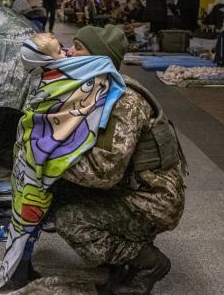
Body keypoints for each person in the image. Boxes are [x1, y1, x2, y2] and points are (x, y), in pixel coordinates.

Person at [49, 25, 186, 294]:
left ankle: (147, 262)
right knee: (60, 192)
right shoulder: (102, 89)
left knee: (69, 220)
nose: (68, 52)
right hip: (136, 187)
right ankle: (123, 257)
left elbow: (104, 173)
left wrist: (49, 163)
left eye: (78, 48)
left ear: (99, 59)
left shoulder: (124, 103)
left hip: (152, 199)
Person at [0, 32, 126, 290]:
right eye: (62, 49)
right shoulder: (82, 73)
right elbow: (103, 68)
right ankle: (18, 271)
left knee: (27, 216)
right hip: (37, 154)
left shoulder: (51, 72)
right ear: (49, 59)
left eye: (73, 47)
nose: (68, 52)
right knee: (30, 215)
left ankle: (19, 266)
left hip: (28, 153)